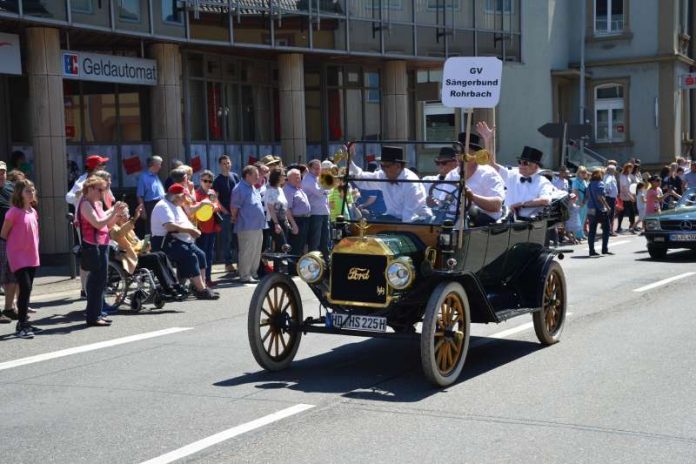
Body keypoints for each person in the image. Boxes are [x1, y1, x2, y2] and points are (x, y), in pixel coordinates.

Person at [150, 184, 218, 300]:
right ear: (176, 197)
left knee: (201, 255)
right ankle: (201, 289)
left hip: (179, 240)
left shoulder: (176, 205)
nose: (185, 199)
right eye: (183, 197)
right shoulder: (163, 206)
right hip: (164, 242)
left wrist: (193, 229)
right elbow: (170, 226)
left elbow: (184, 221)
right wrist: (190, 230)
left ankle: (200, 287)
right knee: (190, 256)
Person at [79, 176, 127, 326]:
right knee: (95, 282)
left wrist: (116, 213)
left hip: (102, 244)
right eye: (100, 190)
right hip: (92, 246)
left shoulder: (97, 203)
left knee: (101, 282)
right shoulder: (85, 204)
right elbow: (98, 224)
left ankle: (98, 313)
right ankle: (93, 316)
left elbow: (107, 225)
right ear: (90, 189)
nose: (102, 193)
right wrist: (113, 213)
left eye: (104, 190)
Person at [109, 205, 186, 300]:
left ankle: (175, 284)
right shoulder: (113, 229)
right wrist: (135, 218)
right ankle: (167, 288)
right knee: (155, 258)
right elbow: (120, 234)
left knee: (161, 254)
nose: (128, 216)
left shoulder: (129, 229)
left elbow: (135, 242)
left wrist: (144, 245)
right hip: (128, 259)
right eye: (125, 214)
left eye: (128, 214)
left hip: (138, 254)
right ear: (118, 216)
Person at [0, 180, 41, 338]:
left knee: (28, 289)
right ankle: (21, 325)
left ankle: (24, 323)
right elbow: (3, 234)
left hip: (32, 256)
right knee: (24, 289)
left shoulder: (33, 211)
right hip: (18, 257)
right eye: (27, 191)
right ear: (19, 194)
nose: (31, 193)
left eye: (32, 190)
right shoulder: (13, 212)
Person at [349, 146, 432, 222]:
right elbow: (363, 178)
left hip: (418, 222)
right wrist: (349, 161)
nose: (383, 170)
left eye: (386, 166)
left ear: (398, 166)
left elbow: (409, 216)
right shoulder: (384, 175)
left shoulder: (411, 183)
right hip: (393, 219)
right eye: (382, 166)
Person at [446, 131, 505, 226]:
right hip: (452, 220)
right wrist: (433, 201)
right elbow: (441, 201)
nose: (459, 157)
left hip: (482, 223)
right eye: (457, 153)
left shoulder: (488, 174)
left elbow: (497, 205)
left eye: (464, 153)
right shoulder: (451, 175)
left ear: (475, 155)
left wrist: (472, 196)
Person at [488, 143, 554, 220]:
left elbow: (545, 200)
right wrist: (488, 139)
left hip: (527, 223)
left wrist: (520, 204)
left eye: (525, 163)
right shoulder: (512, 175)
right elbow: (491, 164)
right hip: (506, 219)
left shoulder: (543, 182)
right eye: (520, 162)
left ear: (536, 166)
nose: (521, 165)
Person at [231, 165, 267, 284]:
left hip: (258, 225)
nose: (258, 177)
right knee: (247, 251)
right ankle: (245, 275)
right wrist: (234, 217)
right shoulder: (239, 188)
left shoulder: (253, 187)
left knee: (256, 251)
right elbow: (234, 207)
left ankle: (253, 273)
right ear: (247, 175)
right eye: (255, 175)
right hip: (246, 225)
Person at [213, 155, 240, 274]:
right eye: (224, 163)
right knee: (227, 239)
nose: (226, 165)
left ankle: (240, 262)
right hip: (225, 214)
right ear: (220, 165)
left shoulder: (235, 176)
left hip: (237, 213)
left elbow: (239, 194)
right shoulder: (217, 180)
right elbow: (215, 199)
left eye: (228, 163)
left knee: (238, 238)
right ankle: (228, 263)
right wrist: (224, 210)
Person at [194, 170, 222, 286]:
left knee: (209, 255)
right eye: (205, 181)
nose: (208, 183)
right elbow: (195, 210)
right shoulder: (196, 194)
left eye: (210, 181)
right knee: (202, 255)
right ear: (200, 181)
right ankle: (201, 281)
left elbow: (218, 206)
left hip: (211, 228)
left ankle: (208, 278)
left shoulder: (212, 192)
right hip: (201, 228)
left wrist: (214, 207)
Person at [0, 161, 17, 324]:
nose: (1, 175)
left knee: (11, 274)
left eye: (3, 172)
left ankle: (9, 309)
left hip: (12, 238)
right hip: (1, 237)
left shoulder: (12, 188)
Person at [303, 159, 331, 257]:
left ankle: (325, 262)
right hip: (315, 213)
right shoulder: (308, 180)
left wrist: (325, 186)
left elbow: (328, 191)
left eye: (319, 168)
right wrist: (325, 185)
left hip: (324, 212)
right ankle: (313, 262)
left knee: (325, 240)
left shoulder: (317, 178)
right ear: (309, 168)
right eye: (316, 168)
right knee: (315, 241)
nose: (318, 171)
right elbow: (320, 192)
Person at [284, 168, 311, 255]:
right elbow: (287, 209)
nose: (298, 179)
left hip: (305, 220)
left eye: (299, 177)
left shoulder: (298, 189)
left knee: (301, 247)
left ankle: (298, 267)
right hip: (297, 220)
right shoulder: (288, 190)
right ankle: (292, 268)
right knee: (295, 247)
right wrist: (293, 225)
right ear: (289, 179)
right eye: (295, 177)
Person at [586, 168, 612, 257]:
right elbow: (600, 197)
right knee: (607, 228)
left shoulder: (589, 184)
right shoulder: (600, 183)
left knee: (592, 231)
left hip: (590, 209)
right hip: (599, 209)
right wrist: (608, 206)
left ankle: (591, 250)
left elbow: (588, 196)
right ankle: (604, 249)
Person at [136, 156, 165, 235]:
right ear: (153, 164)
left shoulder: (156, 176)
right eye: (159, 164)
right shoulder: (143, 177)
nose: (160, 167)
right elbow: (140, 195)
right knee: (150, 227)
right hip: (151, 205)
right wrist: (143, 211)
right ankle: (149, 246)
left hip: (160, 203)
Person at [265, 168, 290, 252]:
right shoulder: (270, 191)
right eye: (283, 175)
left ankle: (279, 265)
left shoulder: (280, 190)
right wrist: (276, 223)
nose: (285, 177)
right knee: (283, 245)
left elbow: (284, 207)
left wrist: (286, 221)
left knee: (281, 249)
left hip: (283, 221)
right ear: (278, 177)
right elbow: (271, 208)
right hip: (274, 221)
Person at [617, 162, 637, 233]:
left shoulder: (627, 176)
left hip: (628, 196)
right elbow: (624, 188)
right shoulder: (622, 176)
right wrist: (630, 196)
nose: (631, 169)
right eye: (630, 168)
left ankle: (632, 226)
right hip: (624, 197)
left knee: (631, 212)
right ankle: (619, 227)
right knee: (623, 212)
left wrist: (632, 194)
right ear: (627, 168)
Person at [571, 166, 589, 240]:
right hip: (579, 201)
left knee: (583, 218)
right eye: (582, 172)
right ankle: (578, 235)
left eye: (585, 172)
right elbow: (575, 191)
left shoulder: (584, 181)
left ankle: (581, 234)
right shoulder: (576, 181)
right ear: (578, 173)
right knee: (579, 218)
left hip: (585, 201)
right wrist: (580, 201)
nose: (584, 174)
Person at [603, 164, 619, 236]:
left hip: (610, 197)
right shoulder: (609, 176)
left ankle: (608, 230)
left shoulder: (609, 176)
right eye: (614, 170)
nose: (615, 171)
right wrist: (608, 191)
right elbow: (607, 184)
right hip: (610, 198)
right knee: (611, 214)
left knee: (609, 214)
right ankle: (610, 230)